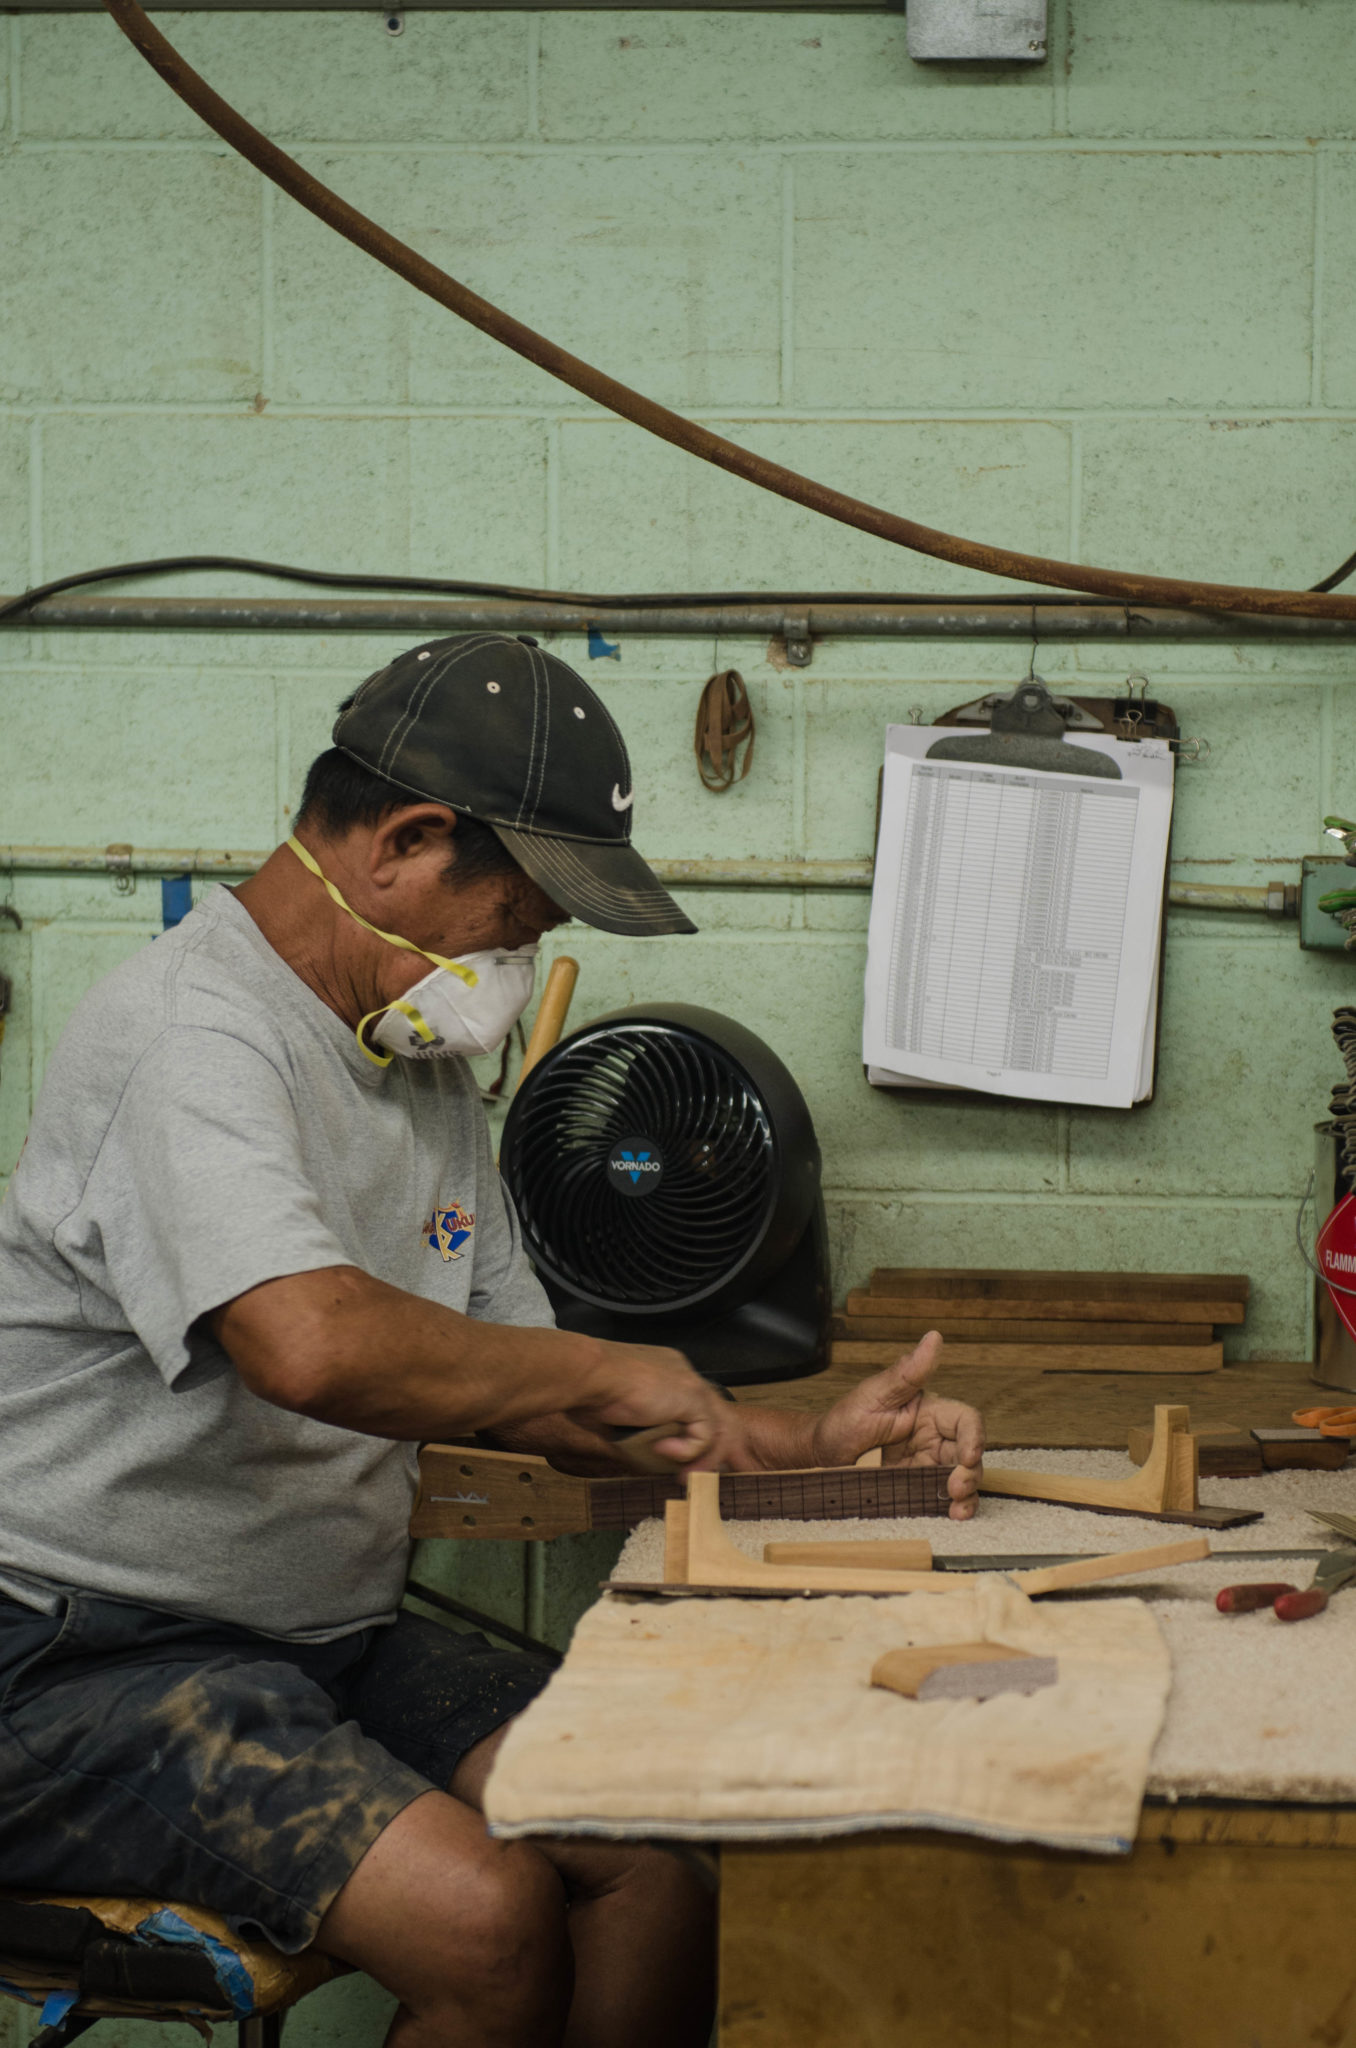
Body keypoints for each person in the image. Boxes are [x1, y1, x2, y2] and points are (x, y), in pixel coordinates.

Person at [0, 633, 983, 2048]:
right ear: (405, 842)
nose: (519, 966)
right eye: (515, 922)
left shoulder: (419, 1075)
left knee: (660, 1843)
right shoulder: (192, 1036)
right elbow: (309, 1343)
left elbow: (518, 1383)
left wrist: (797, 1447)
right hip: (77, 1662)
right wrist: (598, 1367)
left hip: (304, 1643)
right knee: (488, 1920)